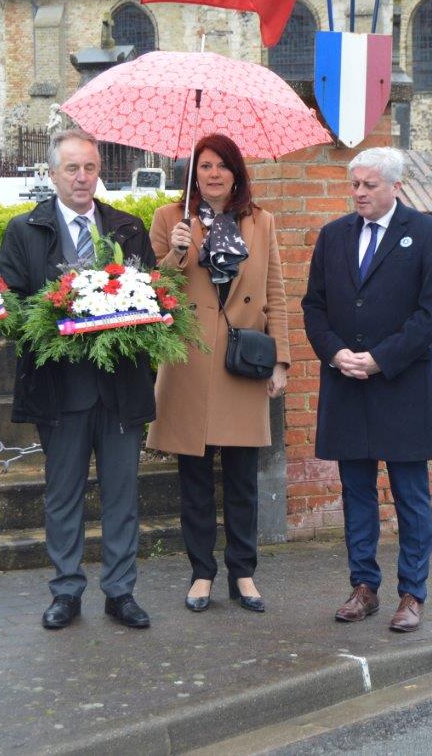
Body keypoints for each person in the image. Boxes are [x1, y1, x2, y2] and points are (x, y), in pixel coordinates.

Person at [0, 128, 157, 630]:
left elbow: (153, 302)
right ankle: (65, 590)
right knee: (63, 494)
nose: (82, 178)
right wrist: (63, 315)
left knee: (121, 494)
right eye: (72, 169)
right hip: (59, 389)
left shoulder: (129, 229)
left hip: (120, 388)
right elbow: (13, 305)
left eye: (90, 168)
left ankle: (120, 591)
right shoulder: (25, 231)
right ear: (52, 175)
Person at [301, 147, 432, 633]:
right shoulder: (333, 236)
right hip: (347, 383)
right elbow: (314, 306)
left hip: (402, 385)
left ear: (395, 186)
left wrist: (381, 358)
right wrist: (334, 352)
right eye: (355, 185)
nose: (360, 193)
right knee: (357, 492)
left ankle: (412, 594)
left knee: (411, 495)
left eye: (369, 185)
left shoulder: (429, 235)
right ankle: (363, 587)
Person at [147, 134, 290, 613]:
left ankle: (244, 573)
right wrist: (176, 252)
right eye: (204, 165)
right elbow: (154, 293)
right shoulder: (170, 219)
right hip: (189, 360)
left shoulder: (260, 221)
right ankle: (201, 573)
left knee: (243, 477)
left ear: (236, 172)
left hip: (242, 361)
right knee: (194, 476)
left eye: (222, 166)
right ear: (194, 171)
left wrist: (281, 361)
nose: (213, 174)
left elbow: (275, 293)